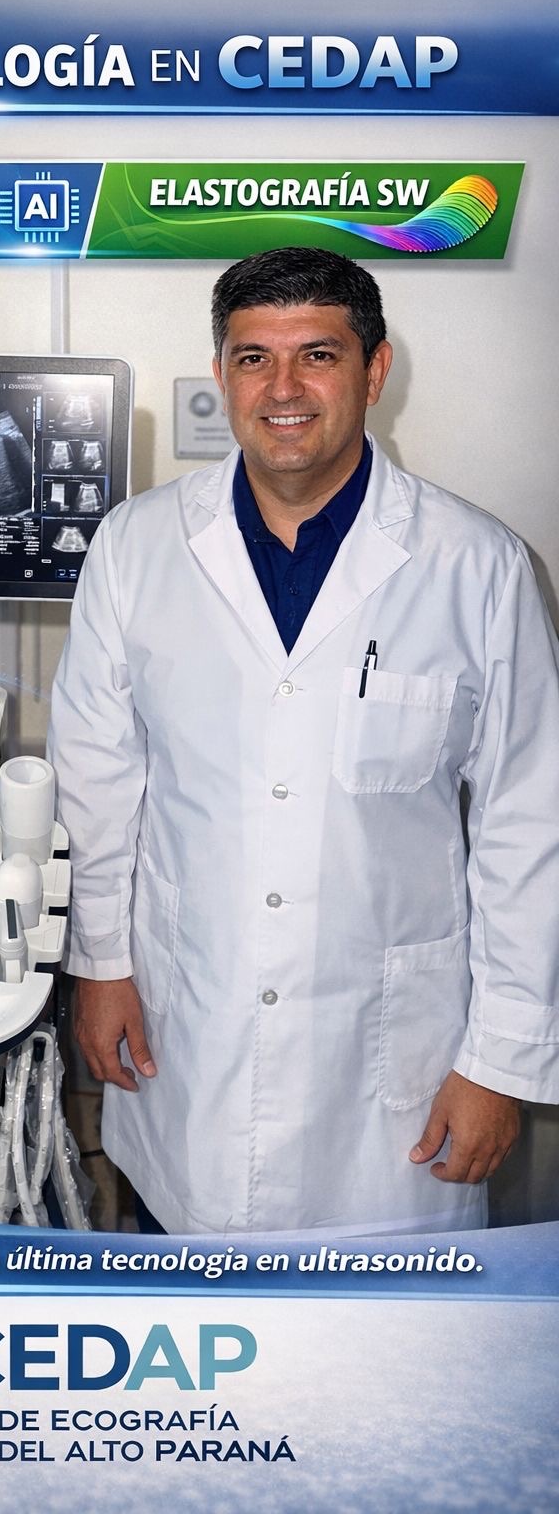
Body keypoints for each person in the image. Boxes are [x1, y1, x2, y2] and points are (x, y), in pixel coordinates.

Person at [47, 247, 559, 1237]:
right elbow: (97, 777)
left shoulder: (478, 567)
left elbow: (529, 826)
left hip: (389, 1079)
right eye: (253, 359)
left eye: (317, 355)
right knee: (183, 1294)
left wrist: (499, 1063)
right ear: (222, 375)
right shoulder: (136, 546)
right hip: (186, 1035)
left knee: (381, 1327)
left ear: (374, 371)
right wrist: (100, 964)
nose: (282, 388)